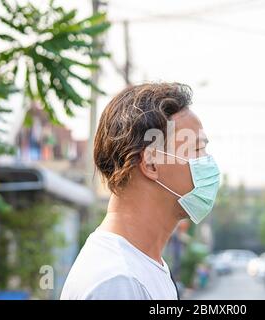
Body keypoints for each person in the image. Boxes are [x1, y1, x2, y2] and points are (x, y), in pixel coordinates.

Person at [60, 83, 220, 300]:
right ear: (151, 163)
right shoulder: (117, 281)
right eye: (198, 150)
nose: (208, 163)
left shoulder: (144, 266)